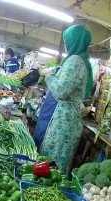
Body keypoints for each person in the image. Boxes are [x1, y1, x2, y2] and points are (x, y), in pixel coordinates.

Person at [34, 24, 93, 174]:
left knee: (53, 166)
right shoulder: (79, 61)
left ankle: (46, 193)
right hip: (64, 118)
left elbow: (61, 90)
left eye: (68, 41)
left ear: (75, 41)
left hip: (62, 121)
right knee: (49, 165)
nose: (66, 44)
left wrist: (48, 75)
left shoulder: (75, 61)